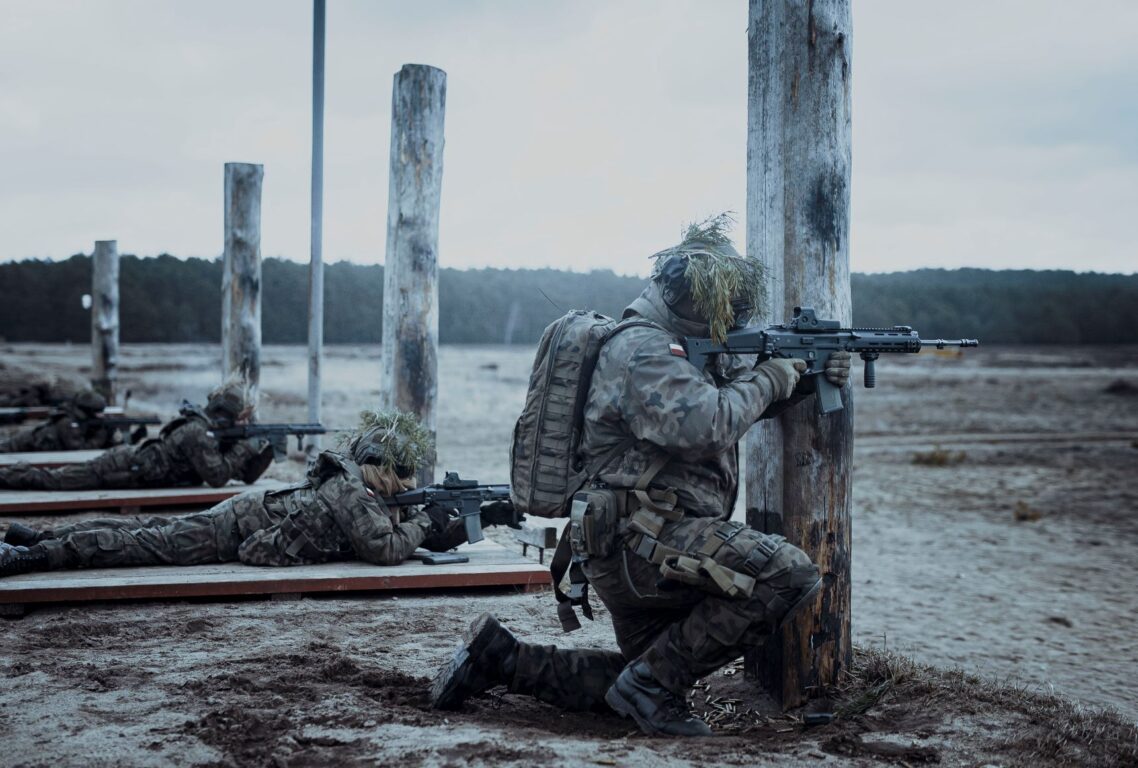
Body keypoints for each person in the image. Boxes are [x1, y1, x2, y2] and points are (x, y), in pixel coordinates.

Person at [429, 214, 852, 736]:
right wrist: (770, 377)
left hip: (633, 541)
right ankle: (651, 687)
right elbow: (707, 422)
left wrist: (802, 379)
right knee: (788, 573)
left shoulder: (663, 345)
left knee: (639, 677)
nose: (728, 317)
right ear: (689, 294)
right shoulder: (645, 349)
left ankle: (501, 660)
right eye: (720, 305)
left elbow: (715, 403)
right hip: (645, 544)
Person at [0, 409, 519, 576]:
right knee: (142, 542)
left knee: (144, 533)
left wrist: (486, 515)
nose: (409, 487)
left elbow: (413, 537)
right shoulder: (351, 493)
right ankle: (39, 553)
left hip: (250, 516)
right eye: (402, 478)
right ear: (382, 472)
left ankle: (40, 536)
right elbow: (385, 549)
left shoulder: (361, 490)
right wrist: (429, 520)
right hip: (235, 529)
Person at [0, 380, 272, 491]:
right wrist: (246, 447)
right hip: (121, 468)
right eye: (241, 418)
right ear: (227, 414)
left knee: (56, 479)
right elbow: (217, 477)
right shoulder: (197, 433)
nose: (242, 422)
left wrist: (262, 452)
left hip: (131, 467)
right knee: (54, 481)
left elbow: (239, 475)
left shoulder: (207, 431)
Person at [0, 389, 122, 453]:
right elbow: (78, 451)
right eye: (97, 413)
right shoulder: (67, 422)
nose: (101, 416)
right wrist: (100, 436)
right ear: (86, 411)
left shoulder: (82, 420)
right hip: (19, 446)